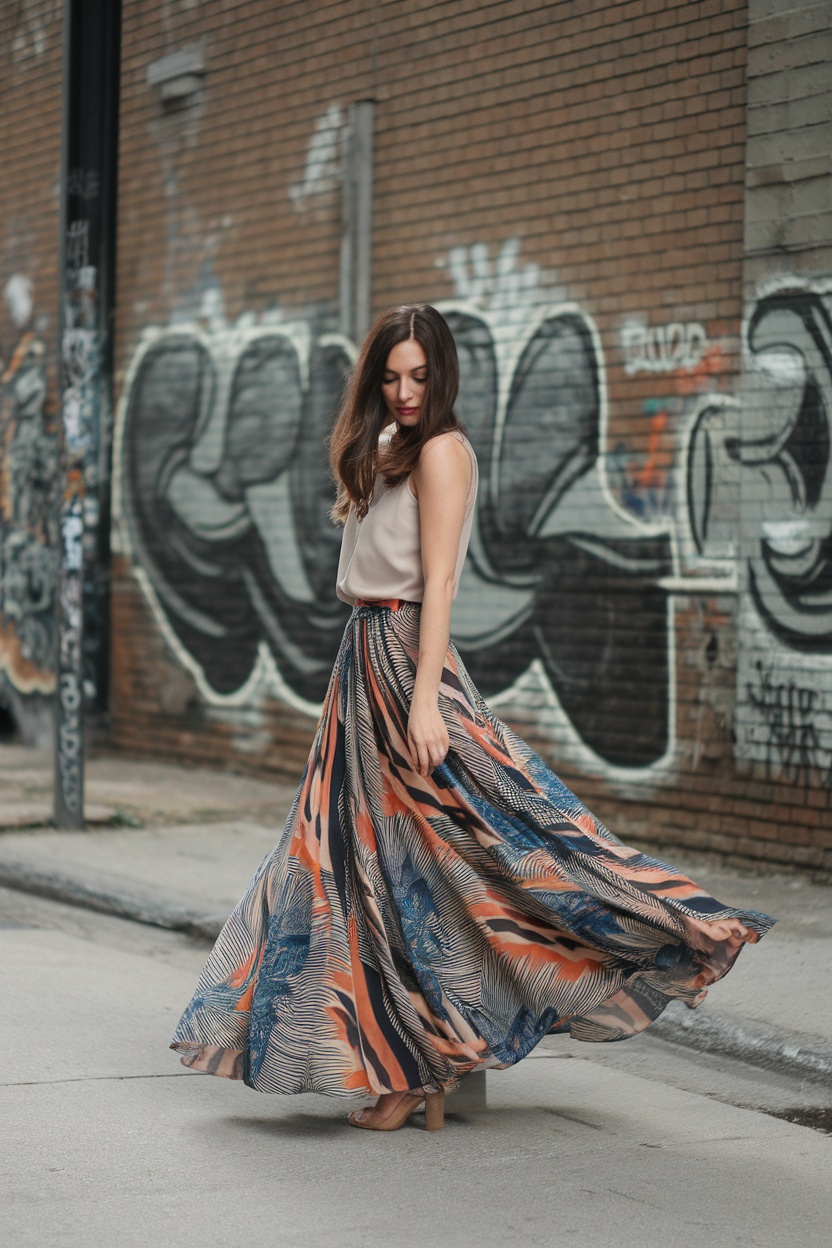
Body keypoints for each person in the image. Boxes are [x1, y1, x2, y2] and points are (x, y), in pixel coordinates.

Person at [170, 303, 775, 1133]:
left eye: (420, 375)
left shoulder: (445, 452)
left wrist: (425, 699)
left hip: (405, 657)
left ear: (442, 374)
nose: (406, 390)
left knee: (498, 830)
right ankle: (403, 1065)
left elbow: (442, 582)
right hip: (361, 658)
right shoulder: (379, 447)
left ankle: (651, 930)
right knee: (359, 867)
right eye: (391, 376)